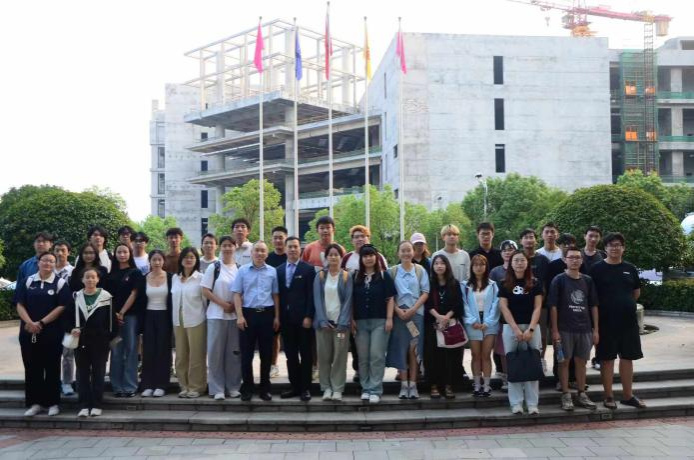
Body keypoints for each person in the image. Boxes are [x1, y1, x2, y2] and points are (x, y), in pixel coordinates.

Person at [588, 232, 646, 410]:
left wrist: (624, 304)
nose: (614, 248)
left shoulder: (630, 268)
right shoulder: (596, 269)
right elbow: (592, 297)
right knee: (607, 359)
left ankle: (628, 396)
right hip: (605, 322)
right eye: (611, 245)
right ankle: (609, 396)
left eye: (618, 245)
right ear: (605, 248)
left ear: (623, 248)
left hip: (628, 322)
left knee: (628, 358)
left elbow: (636, 292)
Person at [15, 251, 71, 416]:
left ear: (55, 264)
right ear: (38, 263)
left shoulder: (60, 283)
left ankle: (52, 403)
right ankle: (35, 403)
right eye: (44, 260)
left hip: (51, 332)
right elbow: (19, 304)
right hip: (28, 331)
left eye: (51, 261)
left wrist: (41, 323)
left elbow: (61, 306)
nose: (48, 263)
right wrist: (30, 322)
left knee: (52, 367)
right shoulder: (27, 281)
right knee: (32, 367)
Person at [549, 245, 599, 411]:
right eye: (571, 257)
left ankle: (581, 393)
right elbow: (553, 306)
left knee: (581, 362)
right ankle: (565, 394)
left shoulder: (588, 280)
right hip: (564, 328)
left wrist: (595, 329)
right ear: (565, 259)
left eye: (578, 257)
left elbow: (593, 305)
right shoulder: (559, 280)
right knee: (563, 362)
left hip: (584, 328)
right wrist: (554, 330)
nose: (575, 260)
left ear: (582, 260)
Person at [64, 268, 118, 417]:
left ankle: (96, 404)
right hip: (81, 340)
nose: (90, 280)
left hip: (100, 341)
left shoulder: (106, 297)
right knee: (82, 373)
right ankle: (83, 405)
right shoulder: (75, 297)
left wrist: (108, 337)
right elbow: (66, 319)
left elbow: (112, 322)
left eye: (93, 277)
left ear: (98, 279)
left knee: (99, 373)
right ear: (82, 280)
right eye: (87, 277)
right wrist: (71, 329)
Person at [232, 241, 280, 401]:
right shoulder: (242, 271)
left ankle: (265, 388)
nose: (259, 253)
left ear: (267, 253)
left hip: (267, 314)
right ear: (251, 253)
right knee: (246, 355)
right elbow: (236, 293)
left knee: (266, 355)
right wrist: (239, 316)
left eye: (262, 251)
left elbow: (275, 295)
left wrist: (277, 317)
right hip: (248, 315)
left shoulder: (272, 271)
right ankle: (247, 388)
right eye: (256, 250)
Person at [498, 250, 543, 415]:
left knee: (532, 363)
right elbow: (504, 307)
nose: (519, 263)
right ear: (511, 263)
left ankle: (532, 404)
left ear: (527, 263)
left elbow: (538, 307)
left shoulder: (535, 282)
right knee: (514, 365)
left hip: (532, 327)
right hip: (510, 328)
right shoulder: (504, 283)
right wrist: (516, 329)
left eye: (522, 260)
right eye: (516, 260)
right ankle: (516, 403)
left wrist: (530, 329)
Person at [340, 224, 386, 384]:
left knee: (375, 349)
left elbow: (384, 280)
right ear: (352, 240)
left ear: (368, 238)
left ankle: (374, 378)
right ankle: (359, 371)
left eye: (363, 236)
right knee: (356, 344)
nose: (360, 239)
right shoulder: (347, 258)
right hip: (355, 308)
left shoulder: (378, 257)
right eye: (356, 237)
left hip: (376, 311)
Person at [352, 244, 395, 404]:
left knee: (376, 356)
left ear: (376, 257)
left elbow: (390, 298)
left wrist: (389, 318)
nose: (368, 258)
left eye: (371, 255)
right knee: (363, 357)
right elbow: (350, 300)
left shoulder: (384, 276)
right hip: (360, 322)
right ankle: (366, 388)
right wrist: (351, 319)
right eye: (365, 256)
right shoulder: (355, 277)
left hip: (380, 321)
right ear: (361, 259)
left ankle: (375, 389)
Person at [387, 241, 430, 399]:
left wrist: (412, 309)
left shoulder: (420, 270)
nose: (406, 253)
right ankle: (404, 385)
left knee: (413, 350)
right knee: (401, 350)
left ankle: (413, 384)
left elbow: (425, 292)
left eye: (408, 250)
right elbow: (389, 295)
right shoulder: (392, 271)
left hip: (415, 315)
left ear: (413, 252)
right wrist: (398, 310)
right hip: (399, 316)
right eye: (403, 251)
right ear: (398, 253)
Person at [201, 236, 241, 400]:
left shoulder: (239, 268)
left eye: (230, 245)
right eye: (224, 245)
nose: (227, 248)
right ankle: (217, 388)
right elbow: (205, 290)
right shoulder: (214, 267)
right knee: (215, 353)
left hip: (234, 317)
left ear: (235, 247)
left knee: (234, 353)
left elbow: (242, 291)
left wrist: (234, 307)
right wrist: (224, 305)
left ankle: (233, 387)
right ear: (220, 248)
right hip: (216, 315)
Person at [277, 237, 316, 401]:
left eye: (295, 247)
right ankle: (294, 386)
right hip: (286, 321)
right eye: (290, 247)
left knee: (306, 355)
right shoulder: (278, 270)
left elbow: (312, 295)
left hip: (303, 320)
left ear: (300, 249)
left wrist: (309, 316)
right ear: (285, 249)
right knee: (290, 355)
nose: (293, 249)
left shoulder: (308, 269)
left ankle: (305, 388)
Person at [314, 243, 353, 401]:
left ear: (341, 257)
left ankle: (337, 388)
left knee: (339, 357)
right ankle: (326, 388)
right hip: (323, 325)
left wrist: (342, 322)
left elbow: (348, 300)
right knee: (324, 357)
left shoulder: (346, 276)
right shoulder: (320, 276)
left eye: (336, 254)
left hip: (341, 326)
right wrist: (323, 321)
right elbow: (317, 300)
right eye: (330, 254)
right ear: (326, 257)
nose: (333, 257)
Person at [424, 255, 464, 399]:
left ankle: (448, 385)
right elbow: (427, 303)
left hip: (450, 324)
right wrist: (438, 317)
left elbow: (458, 304)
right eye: (436, 263)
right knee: (432, 356)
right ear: (432, 266)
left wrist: (447, 317)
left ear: (447, 266)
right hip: (433, 324)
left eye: (442, 263)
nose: (439, 266)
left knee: (450, 356)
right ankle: (434, 385)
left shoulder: (454, 283)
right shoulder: (428, 283)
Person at [107, 243, 143, 397]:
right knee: (116, 351)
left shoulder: (135, 273)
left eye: (125, 252)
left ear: (130, 254)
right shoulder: (110, 275)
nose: (122, 255)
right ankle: (116, 386)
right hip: (112, 317)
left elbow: (134, 294)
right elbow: (107, 296)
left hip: (130, 317)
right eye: (119, 252)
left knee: (131, 350)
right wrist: (114, 314)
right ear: (115, 255)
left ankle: (130, 386)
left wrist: (122, 312)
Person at [172, 247, 207, 398]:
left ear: (196, 260)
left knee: (196, 355)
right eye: (186, 257)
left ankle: (196, 387)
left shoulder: (201, 278)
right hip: (178, 320)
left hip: (196, 319)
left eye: (192, 257)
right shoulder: (175, 278)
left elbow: (205, 301)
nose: (189, 260)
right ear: (181, 260)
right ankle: (184, 386)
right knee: (180, 355)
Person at [462, 254, 500, 398]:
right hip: (473, 323)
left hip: (489, 323)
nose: (479, 267)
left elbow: (496, 304)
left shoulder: (493, 285)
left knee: (486, 354)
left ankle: (487, 385)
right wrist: (472, 321)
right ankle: (477, 384)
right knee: (475, 354)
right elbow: (464, 305)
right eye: (476, 264)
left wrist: (488, 322)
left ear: (486, 266)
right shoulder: (465, 285)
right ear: (472, 267)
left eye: (482, 264)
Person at [140, 250, 173, 398]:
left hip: (164, 316)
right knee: (148, 351)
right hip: (148, 315)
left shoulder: (170, 278)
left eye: (159, 259)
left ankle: (161, 385)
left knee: (163, 350)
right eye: (154, 260)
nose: (157, 262)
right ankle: (147, 385)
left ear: (163, 261)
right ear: (150, 261)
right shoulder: (144, 278)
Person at [489, 239, 518, 392]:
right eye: (505, 250)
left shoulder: (521, 268)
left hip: (520, 315)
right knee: (503, 348)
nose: (508, 252)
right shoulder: (495, 272)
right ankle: (507, 377)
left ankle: (519, 376)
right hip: (501, 316)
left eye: (511, 249)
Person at [519, 228, 550, 372]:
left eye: (531, 237)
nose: (529, 240)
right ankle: (523, 361)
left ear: (536, 240)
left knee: (542, 334)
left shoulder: (543, 260)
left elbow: (547, 282)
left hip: (541, 303)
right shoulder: (518, 258)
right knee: (521, 333)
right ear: (521, 241)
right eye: (526, 237)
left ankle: (541, 359)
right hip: (521, 303)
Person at [53, 241, 75, 396]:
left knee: (68, 352)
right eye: (57, 250)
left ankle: (67, 382)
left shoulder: (74, 272)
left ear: (69, 252)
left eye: (63, 250)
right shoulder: (48, 270)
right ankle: (52, 381)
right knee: (51, 352)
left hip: (68, 317)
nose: (60, 253)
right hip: (50, 317)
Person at [266, 226, 288, 379]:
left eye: (281, 237)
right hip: (272, 303)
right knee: (273, 337)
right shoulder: (268, 258)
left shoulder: (292, 255)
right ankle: (273, 365)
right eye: (275, 238)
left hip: (290, 303)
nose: (278, 240)